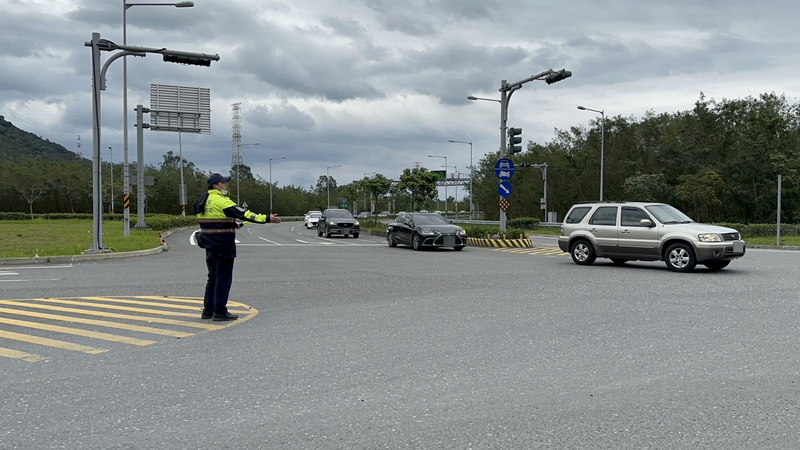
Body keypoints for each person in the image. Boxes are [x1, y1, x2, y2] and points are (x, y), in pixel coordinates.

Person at [194, 173, 281, 321]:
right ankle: (220, 312)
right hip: (223, 245)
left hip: (209, 244)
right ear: (216, 186)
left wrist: (234, 225)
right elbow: (245, 213)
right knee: (223, 278)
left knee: (212, 277)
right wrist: (266, 218)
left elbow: (213, 220)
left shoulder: (204, 200)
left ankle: (208, 310)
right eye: (224, 183)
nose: (227, 185)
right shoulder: (222, 201)